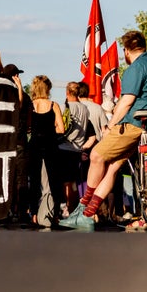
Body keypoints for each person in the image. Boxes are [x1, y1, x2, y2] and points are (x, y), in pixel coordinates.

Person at [60, 30, 147, 230]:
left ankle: (83, 208)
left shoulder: (135, 68)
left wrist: (111, 125)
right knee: (112, 166)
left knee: (96, 155)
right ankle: (88, 213)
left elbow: (127, 101)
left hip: (134, 125)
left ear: (127, 50)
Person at [28, 74, 65, 225]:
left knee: (35, 180)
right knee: (54, 179)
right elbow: (61, 129)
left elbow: (28, 127)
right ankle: (55, 214)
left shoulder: (31, 105)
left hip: (35, 144)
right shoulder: (53, 105)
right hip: (51, 144)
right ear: (48, 88)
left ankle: (34, 214)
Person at [58, 82, 94, 217]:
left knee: (64, 182)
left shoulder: (63, 107)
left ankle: (65, 209)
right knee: (73, 182)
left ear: (67, 92)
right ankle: (72, 209)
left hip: (63, 147)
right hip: (78, 149)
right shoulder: (85, 109)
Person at [3, 63, 32, 223]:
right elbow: (24, 114)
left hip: (6, 142)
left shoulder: (0, 94)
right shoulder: (23, 96)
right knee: (21, 178)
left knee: (8, 177)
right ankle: (21, 212)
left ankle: (8, 210)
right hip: (19, 141)